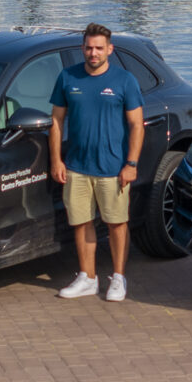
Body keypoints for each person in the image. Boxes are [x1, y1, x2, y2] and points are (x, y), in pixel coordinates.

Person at [49, 23, 144, 302]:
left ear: (109, 49)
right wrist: (56, 160)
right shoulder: (68, 77)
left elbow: (137, 125)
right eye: (89, 48)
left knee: (116, 223)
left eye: (99, 48)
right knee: (81, 222)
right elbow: (56, 121)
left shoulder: (124, 80)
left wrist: (131, 164)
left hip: (113, 168)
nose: (93, 53)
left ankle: (118, 278)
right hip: (76, 167)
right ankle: (88, 278)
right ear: (83, 48)